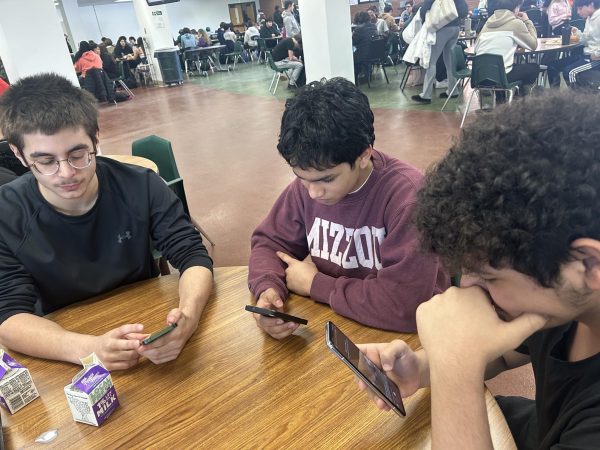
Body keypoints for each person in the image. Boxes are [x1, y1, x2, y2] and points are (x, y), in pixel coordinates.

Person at [355, 90, 600, 449]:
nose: (466, 290)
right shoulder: (563, 299)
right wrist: (423, 368)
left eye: (488, 277)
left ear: (587, 264)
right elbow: (503, 353)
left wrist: (456, 368)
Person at [0, 74, 213, 370]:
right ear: (18, 154)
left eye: (78, 154)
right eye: (46, 161)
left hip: (145, 331)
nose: (66, 173)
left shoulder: (142, 185)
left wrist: (188, 317)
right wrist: (88, 349)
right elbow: (8, 317)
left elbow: (193, 256)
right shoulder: (6, 214)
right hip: (59, 350)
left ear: (96, 138)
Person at [248, 78, 449, 340]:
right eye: (301, 177)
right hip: (342, 320)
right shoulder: (310, 183)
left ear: (364, 155)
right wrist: (267, 289)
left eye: (327, 179)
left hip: (410, 338)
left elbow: (406, 306)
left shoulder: (408, 199)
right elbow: (269, 243)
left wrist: (315, 284)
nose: (313, 192)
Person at [475, 0, 540, 95]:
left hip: (479, 77)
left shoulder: (487, 23)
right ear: (516, 8)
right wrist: (527, 21)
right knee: (533, 68)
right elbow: (533, 45)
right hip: (501, 77)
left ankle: (501, 100)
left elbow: (476, 49)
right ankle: (521, 101)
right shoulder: (516, 23)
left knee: (505, 67)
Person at [411, 0, 469, 104]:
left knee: (431, 61)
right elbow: (464, 10)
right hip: (455, 27)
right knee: (449, 61)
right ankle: (453, 90)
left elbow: (424, 9)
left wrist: (426, 22)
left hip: (441, 27)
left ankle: (426, 95)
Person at [546, 0, 600, 87]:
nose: (578, 12)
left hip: (595, 59)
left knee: (570, 72)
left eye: (580, 8)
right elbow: (585, 41)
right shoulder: (589, 18)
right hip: (586, 54)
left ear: (591, 4)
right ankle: (554, 97)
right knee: (552, 66)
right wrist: (577, 32)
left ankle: (577, 100)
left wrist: (597, 54)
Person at [352, 11, 378, 81]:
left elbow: (353, 42)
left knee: (351, 57)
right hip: (374, 54)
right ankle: (366, 73)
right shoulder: (374, 26)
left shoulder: (358, 29)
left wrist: (352, 34)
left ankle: (355, 78)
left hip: (364, 55)